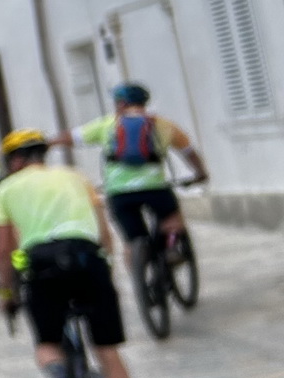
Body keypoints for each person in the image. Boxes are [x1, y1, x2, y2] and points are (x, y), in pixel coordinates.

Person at [0, 129, 141, 378]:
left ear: (15, 160)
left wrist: (7, 293)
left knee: (47, 343)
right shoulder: (76, 177)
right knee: (108, 351)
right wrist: (106, 270)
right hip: (88, 260)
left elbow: (4, 251)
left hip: (42, 267)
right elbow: (104, 233)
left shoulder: (5, 190)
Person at [59, 83, 210, 265]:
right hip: (155, 189)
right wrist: (200, 173)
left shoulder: (107, 124)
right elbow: (188, 152)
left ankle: (138, 271)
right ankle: (170, 247)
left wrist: (46, 142)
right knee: (172, 219)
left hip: (119, 192)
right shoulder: (163, 125)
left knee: (132, 240)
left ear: (122, 104)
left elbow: (70, 137)